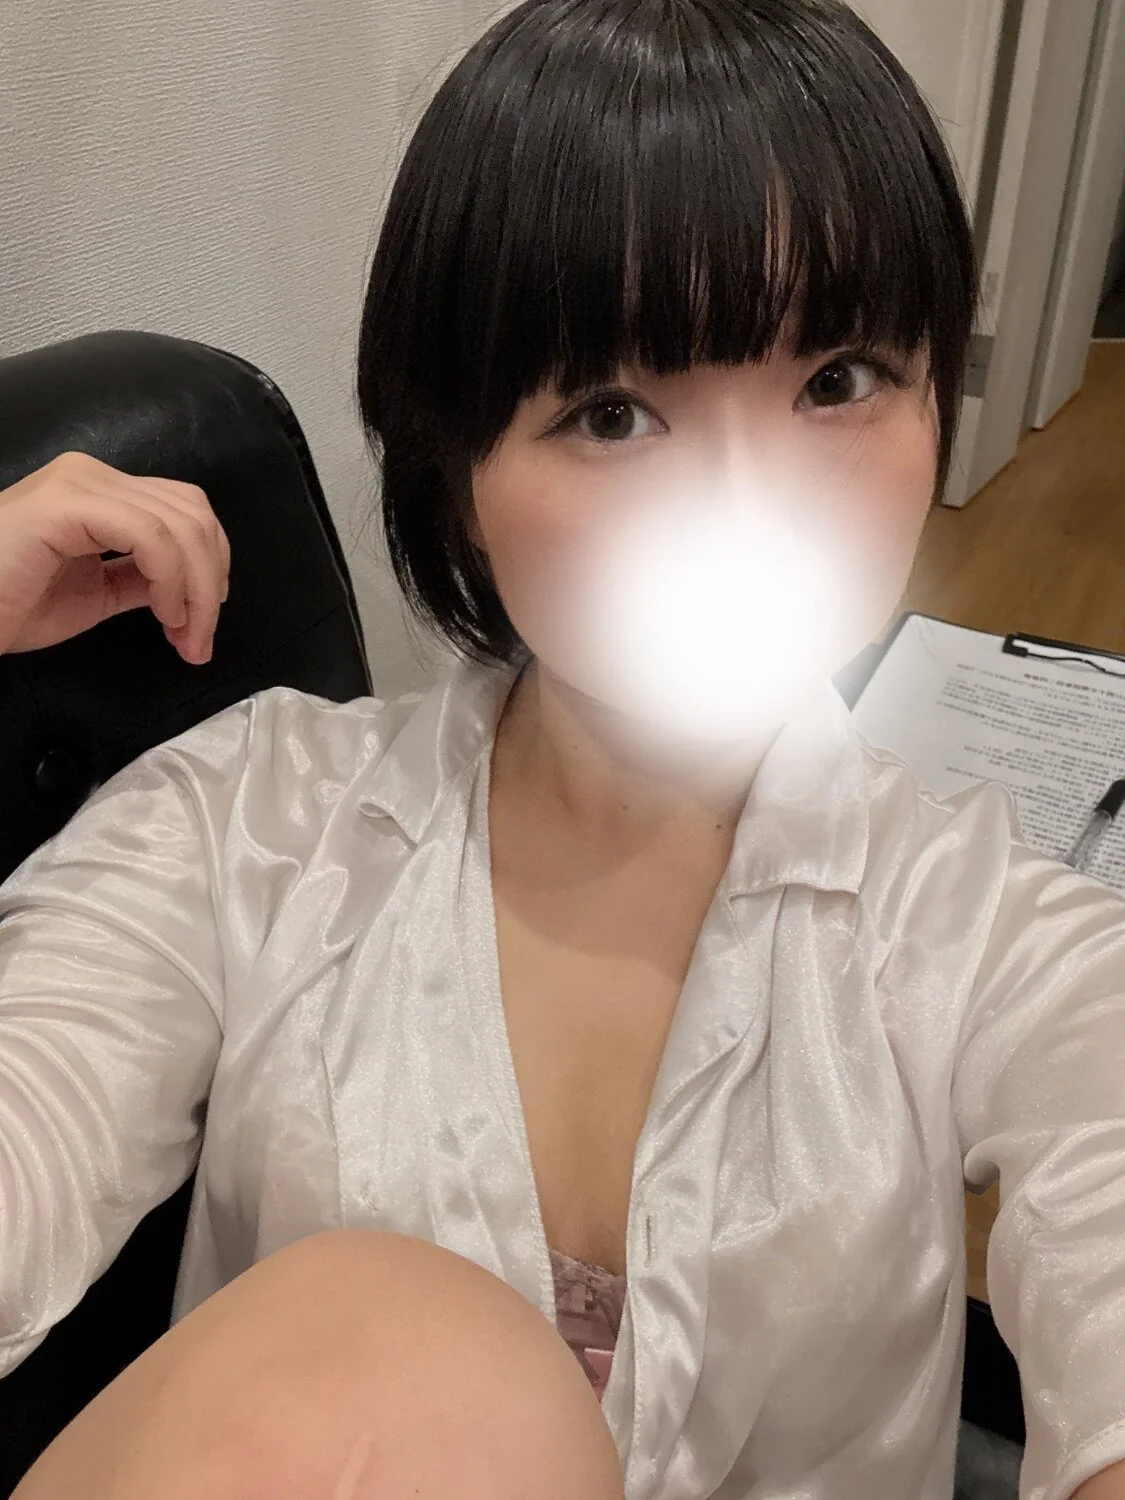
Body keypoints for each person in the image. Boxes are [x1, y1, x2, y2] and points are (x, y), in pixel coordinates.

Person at [1, 2, 1124, 1498]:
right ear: (456, 470)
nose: (751, 505)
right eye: (613, 412)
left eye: (840, 380)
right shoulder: (241, 827)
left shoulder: (1002, 940)